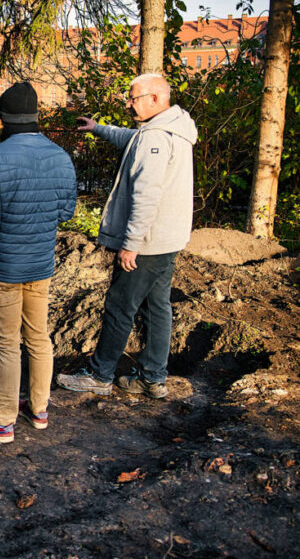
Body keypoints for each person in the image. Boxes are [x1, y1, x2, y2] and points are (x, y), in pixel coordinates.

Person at [57, 73, 198, 399]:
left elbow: (146, 195)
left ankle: (99, 375)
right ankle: (152, 378)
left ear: (155, 99)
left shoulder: (155, 139)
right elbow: (130, 140)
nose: (128, 103)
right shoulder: (166, 129)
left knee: (120, 305)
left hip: (147, 242)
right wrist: (98, 128)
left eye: (133, 98)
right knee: (158, 307)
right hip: (167, 239)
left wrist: (131, 244)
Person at [0, 82, 77, 443]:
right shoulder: (61, 156)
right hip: (40, 265)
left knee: (8, 344)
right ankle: (39, 410)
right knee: (39, 338)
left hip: (2, 268)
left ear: (4, 119)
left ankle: (3, 421)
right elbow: (66, 212)